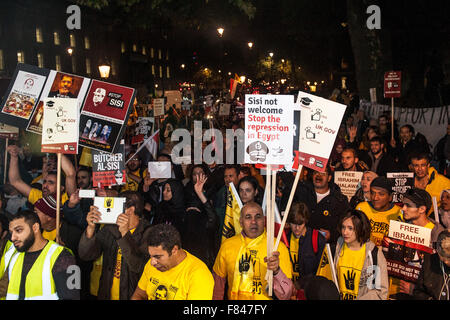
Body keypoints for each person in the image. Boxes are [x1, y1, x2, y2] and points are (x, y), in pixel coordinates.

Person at [78, 191, 151, 300]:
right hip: (106, 294)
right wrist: (90, 228)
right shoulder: (110, 229)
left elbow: (138, 267)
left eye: (116, 206)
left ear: (130, 210)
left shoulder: (149, 233)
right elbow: (86, 255)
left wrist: (124, 234)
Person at [212, 202, 293, 300]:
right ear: (241, 222)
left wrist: (277, 271)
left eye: (258, 217)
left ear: (264, 220)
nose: (253, 221)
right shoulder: (227, 246)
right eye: (248, 217)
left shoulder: (277, 247)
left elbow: (287, 294)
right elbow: (217, 287)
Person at [5, 209, 79, 299]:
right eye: (11, 232)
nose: (13, 237)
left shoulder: (64, 256)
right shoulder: (14, 257)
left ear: (35, 227)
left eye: (19, 230)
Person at [387, 187, 445, 299]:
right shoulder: (400, 228)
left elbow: (439, 274)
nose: (403, 208)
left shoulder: (437, 234)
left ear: (422, 209)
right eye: (403, 204)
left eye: (408, 205)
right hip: (395, 290)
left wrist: (415, 289)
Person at [131, 223, 214, 300]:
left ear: (174, 250)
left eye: (158, 257)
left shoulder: (199, 275)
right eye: (151, 256)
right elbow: (139, 295)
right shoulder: (153, 264)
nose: (152, 262)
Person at [283, 167, 350, 244]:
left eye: (323, 174)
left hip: (327, 247)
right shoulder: (301, 192)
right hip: (301, 244)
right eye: (316, 173)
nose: (318, 176)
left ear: (329, 178)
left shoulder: (340, 200)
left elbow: (346, 224)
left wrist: (331, 235)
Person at [333, 210, 389, 300]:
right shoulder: (337, 247)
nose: (345, 232)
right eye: (343, 227)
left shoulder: (373, 253)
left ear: (360, 228)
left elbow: (380, 291)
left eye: (350, 228)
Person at [7, 145, 76, 205]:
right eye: (44, 181)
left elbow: (70, 174)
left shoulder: (67, 199)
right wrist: (14, 157)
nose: (45, 185)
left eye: (51, 183)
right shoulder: (39, 198)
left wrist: (58, 150)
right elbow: (15, 181)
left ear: (61, 188)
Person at [182, 171, 219, 269]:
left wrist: (200, 193)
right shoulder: (181, 227)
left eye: (195, 210)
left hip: (204, 266)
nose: (192, 213)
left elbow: (213, 218)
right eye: (189, 210)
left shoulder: (206, 225)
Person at [286, 202, 326, 284]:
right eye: (293, 224)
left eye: (300, 224)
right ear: (289, 223)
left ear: (305, 221)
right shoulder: (285, 238)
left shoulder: (317, 239)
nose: (297, 228)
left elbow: (322, 272)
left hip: (308, 289)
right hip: (289, 286)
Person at [355, 176, 402, 246]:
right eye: (372, 193)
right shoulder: (362, 208)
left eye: (381, 194)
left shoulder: (399, 212)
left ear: (390, 197)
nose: (375, 198)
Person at [413, 230, 450, 300]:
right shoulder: (429, 261)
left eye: (449, 258)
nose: (446, 262)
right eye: (443, 257)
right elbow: (418, 292)